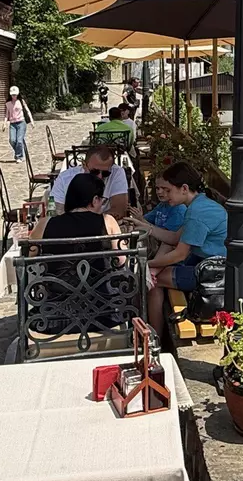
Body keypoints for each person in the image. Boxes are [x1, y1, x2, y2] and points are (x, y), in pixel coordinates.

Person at [28, 172, 125, 332]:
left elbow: (28, 257)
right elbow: (121, 261)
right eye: (101, 199)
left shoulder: (45, 224)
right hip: (103, 312)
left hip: (55, 316)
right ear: (94, 200)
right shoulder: (107, 222)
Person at [146, 162, 227, 338]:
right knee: (155, 275)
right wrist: (149, 228)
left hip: (214, 274)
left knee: (154, 281)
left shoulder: (197, 212)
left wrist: (147, 265)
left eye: (169, 190)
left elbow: (179, 253)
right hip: (207, 266)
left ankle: (155, 339)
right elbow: (175, 238)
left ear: (184, 188)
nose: (166, 196)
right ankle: (155, 336)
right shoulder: (201, 204)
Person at [49, 145, 129, 220]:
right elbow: (55, 213)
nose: (100, 177)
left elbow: (119, 211)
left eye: (105, 173)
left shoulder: (116, 172)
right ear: (84, 165)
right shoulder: (65, 178)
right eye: (94, 171)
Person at [125, 171, 187, 258]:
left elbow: (168, 238)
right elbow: (145, 220)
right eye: (157, 188)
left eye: (164, 188)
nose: (159, 192)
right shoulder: (162, 205)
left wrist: (141, 220)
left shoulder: (179, 209)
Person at [5, 86, 34, 163]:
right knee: (12, 140)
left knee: (19, 141)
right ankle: (20, 152)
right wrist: (4, 123)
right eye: (12, 95)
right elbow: (7, 114)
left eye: (15, 95)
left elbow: (27, 111)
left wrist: (31, 121)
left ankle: (19, 156)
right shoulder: (8, 103)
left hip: (21, 122)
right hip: (12, 124)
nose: (14, 96)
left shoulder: (21, 101)